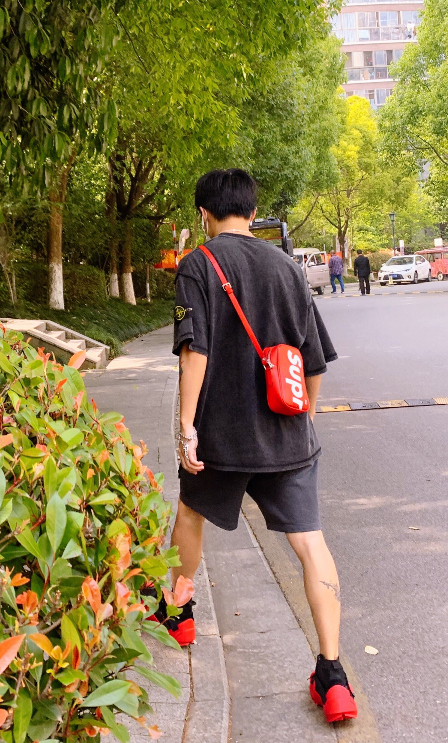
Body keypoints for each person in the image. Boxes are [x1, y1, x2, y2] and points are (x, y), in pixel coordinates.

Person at [165, 168, 356, 724]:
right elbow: (312, 357)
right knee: (310, 543)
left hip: (221, 436)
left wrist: (186, 426)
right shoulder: (287, 267)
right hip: (286, 434)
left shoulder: (198, 264)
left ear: (205, 212)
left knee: (190, 514)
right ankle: (333, 675)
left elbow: (192, 351)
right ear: (253, 212)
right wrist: (306, 420)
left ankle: (179, 614)